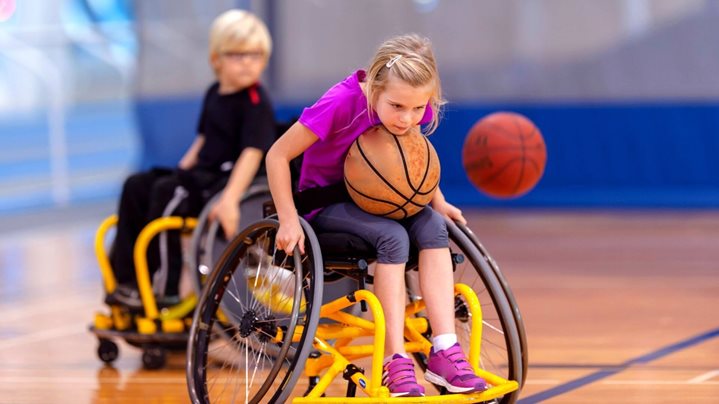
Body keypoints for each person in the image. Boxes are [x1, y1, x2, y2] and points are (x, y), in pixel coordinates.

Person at [265, 34, 488, 397]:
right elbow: (277, 155)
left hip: (385, 202)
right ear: (374, 88)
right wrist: (288, 219)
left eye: (418, 110)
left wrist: (439, 200)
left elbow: (411, 165)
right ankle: (393, 358)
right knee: (393, 236)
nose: (408, 118)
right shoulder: (340, 102)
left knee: (433, 226)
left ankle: (445, 348)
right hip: (327, 203)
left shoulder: (411, 102)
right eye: (398, 107)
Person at [106, 9, 276, 309]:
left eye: (256, 54)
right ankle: (127, 278)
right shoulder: (214, 93)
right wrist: (180, 169)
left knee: (166, 196)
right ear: (216, 60)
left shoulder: (255, 102)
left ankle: (164, 287)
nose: (248, 62)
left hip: (223, 182)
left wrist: (230, 199)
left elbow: (252, 153)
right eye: (238, 55)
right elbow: (203, 140)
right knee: (137, 185)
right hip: (201, 173)